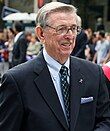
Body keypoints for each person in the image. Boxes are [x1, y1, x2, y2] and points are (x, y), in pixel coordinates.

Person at [0, 2, 110, 131]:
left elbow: (105, 119)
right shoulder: (17, 80)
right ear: (41, 33)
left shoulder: (94, 73)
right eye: (61, 28)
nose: (69, 36)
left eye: (73, 28)